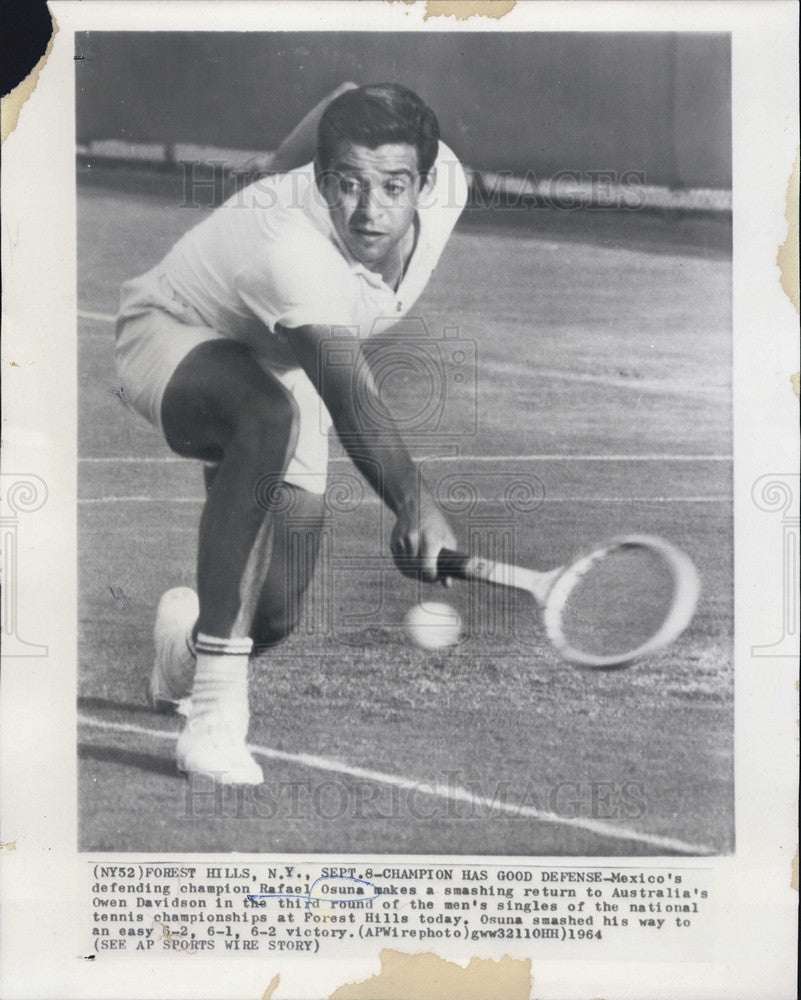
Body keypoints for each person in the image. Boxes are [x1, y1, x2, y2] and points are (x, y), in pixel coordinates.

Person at [115, 82, 468, 784]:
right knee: (265, 417)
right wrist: (414, 502)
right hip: (174, 331)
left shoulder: (450, 182)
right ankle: (215, 721)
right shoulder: (288, 248)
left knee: (270, 614)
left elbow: (342, 94)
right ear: (320, 175)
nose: (369, 210)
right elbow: (348, 393)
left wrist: (261, 183)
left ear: (424, 184)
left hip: (283, 353)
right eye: (347, 184)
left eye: (393, 186)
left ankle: (181, 655)